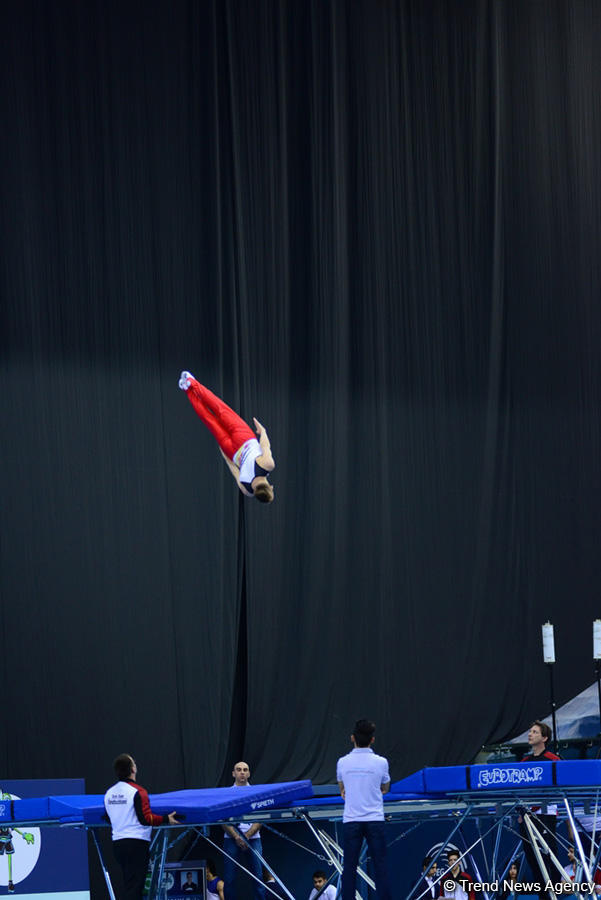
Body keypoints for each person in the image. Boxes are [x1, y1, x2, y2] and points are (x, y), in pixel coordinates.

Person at [179, 372, 275, 502]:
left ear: (270, 487)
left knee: (220, 408)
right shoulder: (247, 490)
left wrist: (262, 430)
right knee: (209, 419)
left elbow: (265, 444)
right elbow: (233, 468)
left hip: (244, 439)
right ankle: (187, 389)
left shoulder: (268, 465)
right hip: (232, 452)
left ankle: (193, 383)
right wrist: (224, 451)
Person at [104, 754, 179, 900]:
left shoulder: (109, 793)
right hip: (136, 844)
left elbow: (108, 818)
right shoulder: (138, 791)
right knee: (135, 887)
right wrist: (165, 819)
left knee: (130, 884)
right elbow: (146, 819)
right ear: (133, 769)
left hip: (118, 844)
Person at [336, 718, 392, 900]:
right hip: (374, 819)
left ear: (352, 738)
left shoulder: (342, 762)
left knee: (349, 868)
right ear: (372, 740)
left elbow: (342, 789)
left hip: (352, 820)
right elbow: (385, 788)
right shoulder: (381, 762)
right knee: (380, 867)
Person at [518, 721, 561, 886]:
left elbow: (559, 786)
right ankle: (543, 893)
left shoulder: (553, 760)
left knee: (548, 852)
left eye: (535, 732)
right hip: (527, 815)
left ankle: (555, 887)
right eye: (530, 731)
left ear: (544, 738)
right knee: (531, 855)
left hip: (546, 812)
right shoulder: (524, 763)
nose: (530, 734)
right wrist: (520, 813)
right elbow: (518, 791)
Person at [222, 761, 266, 899]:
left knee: (258, 877)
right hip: (231, 838)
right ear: (233, 773)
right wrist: (236, 836)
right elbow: (222, 819)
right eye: (239, 769)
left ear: (249, 773)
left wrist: (247, 835)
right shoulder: (226, 793)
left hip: (253, 838)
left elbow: (261, 817)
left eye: (245, 770)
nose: (242, 772)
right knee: (229, 878)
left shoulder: (256, 792)